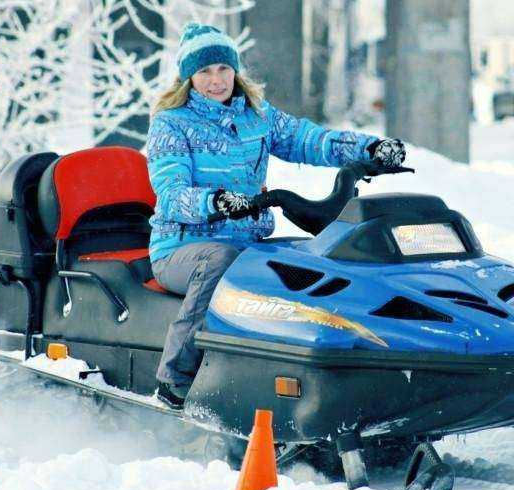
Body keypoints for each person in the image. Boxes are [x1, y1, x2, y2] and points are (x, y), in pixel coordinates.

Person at [146, 23, 406, 408]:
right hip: (182, 248)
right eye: (204, 72)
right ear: (188, 78)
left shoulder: (257, 116)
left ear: (235, 70)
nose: (216, 80)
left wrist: (371, 149)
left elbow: (309, 139)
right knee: (220, 260)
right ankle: (174, 380)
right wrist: (215, 202)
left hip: (246, 244)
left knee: (308, 261)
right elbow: (170, 195)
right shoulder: (172, 124)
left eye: (223, 69)